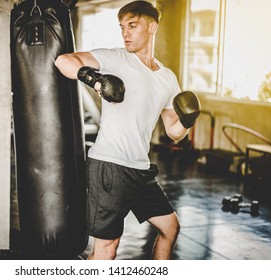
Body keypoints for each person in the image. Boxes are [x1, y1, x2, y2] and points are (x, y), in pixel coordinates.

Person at [55, 0, 200, 260]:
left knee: (170, 228)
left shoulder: (167, 78)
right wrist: (96, 80)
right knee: (107, 249)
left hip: (140, 170)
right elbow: (64, 61)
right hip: (110, 166)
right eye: (122, 27)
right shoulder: (115, 58)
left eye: (132, 25)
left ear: (152, 26)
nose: (125, 33)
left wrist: (189, 120)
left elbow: (173, 132)